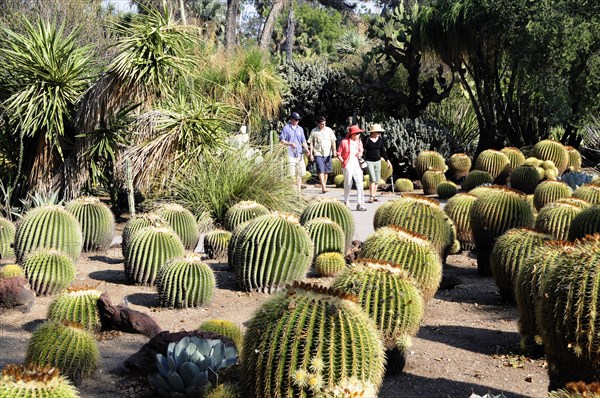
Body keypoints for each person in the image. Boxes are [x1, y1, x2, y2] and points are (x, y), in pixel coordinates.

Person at [337, 125, 367, 211]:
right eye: (357, 133)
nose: (359, 135)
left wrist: (360, 154)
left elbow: (361, 150)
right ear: (352, 134)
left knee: (360, 183)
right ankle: (346, 201)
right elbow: (338, 153)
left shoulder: (359, 142)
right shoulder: (344, 142)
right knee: (348, 183)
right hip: (348, 163)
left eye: (359, 133)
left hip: (357, 163)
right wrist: (343, 162)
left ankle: (360, 203)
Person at [280, 112, 310, 192]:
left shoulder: (300, 129)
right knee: (291, 174)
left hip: (299, 154)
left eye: (298, 120)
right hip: (290, 154)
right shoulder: (286, 128)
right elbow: (282, 140)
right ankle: (292, 191)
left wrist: (307, 149)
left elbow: (303, 141)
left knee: (300, 173)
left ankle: (298, 192)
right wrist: (290, 144)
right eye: (296, 119)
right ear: (292, 119)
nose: (297, 121)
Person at [362, 123, 392, 203]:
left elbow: (382, 151)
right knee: (372, 178)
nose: (379, 134)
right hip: (369, 161)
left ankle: (374, 195)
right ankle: (371, 196)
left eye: (379, 132)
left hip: (378, 161)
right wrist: (361, 160)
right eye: (378, 132)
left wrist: (387, 160)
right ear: (373, 132)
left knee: (377, 180)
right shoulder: (366, 139)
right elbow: (361, 149)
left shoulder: (380, 139)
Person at [308, 116, 337, 193]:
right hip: (318, 153)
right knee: (320, 169)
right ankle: (323, 187)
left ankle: (323, 184)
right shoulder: (314, 131)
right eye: (321, 124)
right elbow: (311, 143)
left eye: (324, 124)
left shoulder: (329, 130)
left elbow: (333, 140)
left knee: (326, 171)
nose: (323, 125)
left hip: (327, 152)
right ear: (317, 123)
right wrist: (311, 154)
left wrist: (334, 150)